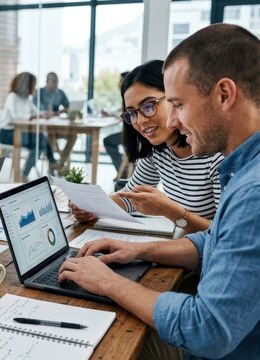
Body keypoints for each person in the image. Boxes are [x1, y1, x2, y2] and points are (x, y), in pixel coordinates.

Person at [60, 23, 260, 359]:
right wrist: (137, 249)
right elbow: (215, 241)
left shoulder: (252, 192)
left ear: (225, 94)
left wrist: (109, 282)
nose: (171, 122)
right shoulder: (242, 169)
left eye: (178, 104)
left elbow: (207, 328)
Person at [70, 60, 222, 234]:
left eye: (149, 106)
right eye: (132, 113)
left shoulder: (215, 154)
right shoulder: (158, 150)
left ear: (175, 98)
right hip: (183, 246)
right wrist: (91, 208)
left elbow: (223, 234)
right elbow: (130, 198)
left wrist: (169, 210)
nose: (141, 121)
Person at [0, 72, 57, 180]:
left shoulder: (26, 99)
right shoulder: (12, 97)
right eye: (33, 84)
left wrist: (44, 114)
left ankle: (24, 174)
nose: (34, 87)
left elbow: (36, 112)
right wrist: (35, 116)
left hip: (21, 133)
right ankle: (52, 162)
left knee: (40, 143)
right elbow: (17, 117)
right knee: (41, 140)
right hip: (7, 133)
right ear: (26, 85)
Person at [103, 71, 130, 172]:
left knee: (108, 141)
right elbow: (120, 110)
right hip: (128, 133)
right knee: (109, 141)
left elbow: (125, 113)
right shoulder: (126, 94)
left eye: (120, 81)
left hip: (130, 135)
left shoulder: (128, 94)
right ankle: (122, 170)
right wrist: (110, 113)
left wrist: (118, 116)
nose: (118, 83)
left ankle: (121, 171)